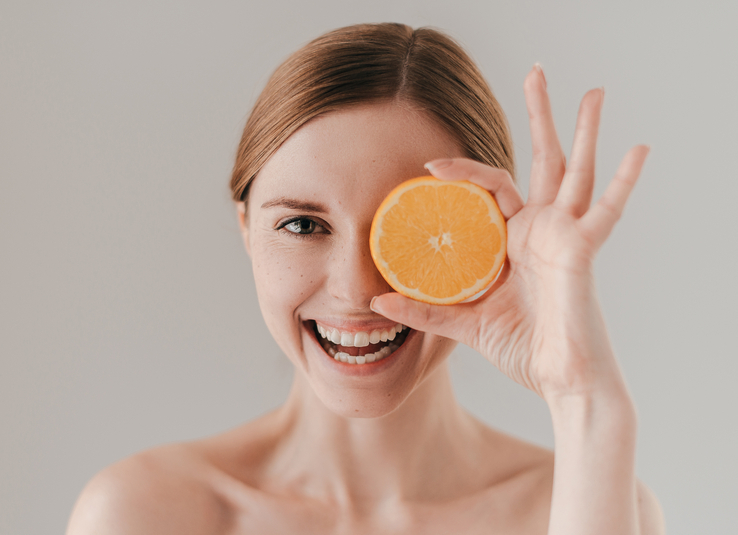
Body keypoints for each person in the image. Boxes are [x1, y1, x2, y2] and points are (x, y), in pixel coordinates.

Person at [66, 23, 665, 534]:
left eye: (402, 232)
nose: (355, 290)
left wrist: (585, 401)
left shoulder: (585, 503)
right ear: (248, 229)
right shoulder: (146, 514)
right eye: (303, 225)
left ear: (490, 237)